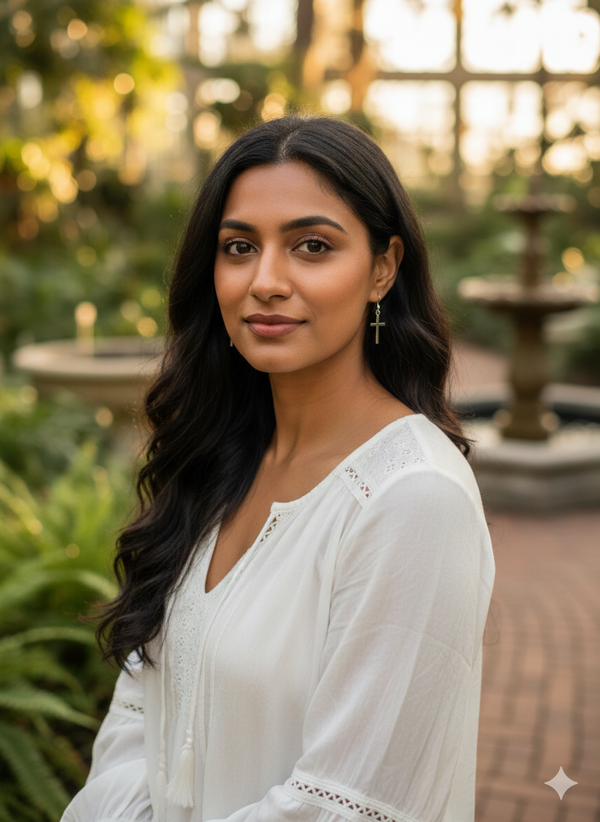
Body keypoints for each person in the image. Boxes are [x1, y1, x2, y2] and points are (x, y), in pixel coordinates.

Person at [61, 115, 495, 822]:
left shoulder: (411, 497)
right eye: (239, 247)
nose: (265, 281)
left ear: (383, 268)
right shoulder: (220, 459)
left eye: (312, 247)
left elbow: (345, 806)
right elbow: (140, 713)